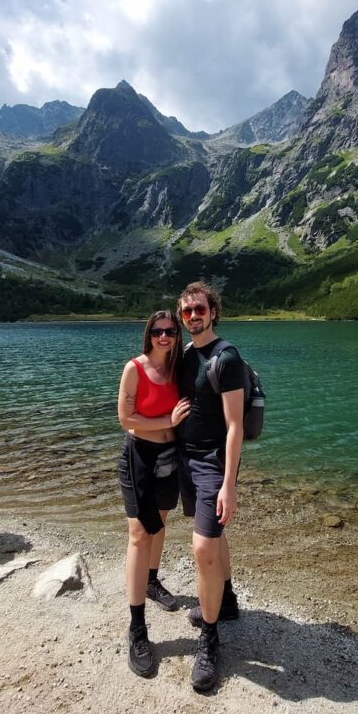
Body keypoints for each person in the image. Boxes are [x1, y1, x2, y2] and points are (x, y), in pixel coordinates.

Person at [175, 281, 245, 692]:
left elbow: (235, 426)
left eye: (199, 309)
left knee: (202, 548)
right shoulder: (186, 355)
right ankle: (229, 599)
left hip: (213, 463)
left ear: (212, 311)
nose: (192, 317)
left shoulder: (226, 357)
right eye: (186, 312)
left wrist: (229, 484)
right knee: (213, 536)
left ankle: (210, 641)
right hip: (186, 458)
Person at [117, 310, 191, 678]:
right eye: (158, 331)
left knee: (160, 523)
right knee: (139, 533)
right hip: (139, 457)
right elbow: (126, 419)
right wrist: (168, 422)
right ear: (149, 334)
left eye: (171, 332)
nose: (165, 337)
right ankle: (137, 628)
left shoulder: (178, 368)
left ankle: (150, 580)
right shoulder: (135, 368)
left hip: (170, 456)